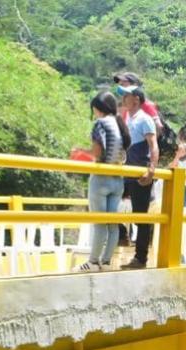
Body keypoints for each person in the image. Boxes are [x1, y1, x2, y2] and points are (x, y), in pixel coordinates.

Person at [73, 91, 131, 272]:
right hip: (117, 179)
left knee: (99, 222)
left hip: (101, 179)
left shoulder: (100, 124)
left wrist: (81, 151)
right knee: (112, 224)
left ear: (98, 109)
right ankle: (105, 263)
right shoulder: (119, 123)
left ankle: (92, 262)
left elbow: (98, 153)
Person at [118, 86, 159, 270]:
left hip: (140, 173)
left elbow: (153, 146)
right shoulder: (128, 118)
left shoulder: (145, 119)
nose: (123, 98)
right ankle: (121, 238)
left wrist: (151, 169)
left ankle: (140, 258)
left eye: (126, 95)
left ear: (136, 99)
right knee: (115, 206)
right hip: (127, 172)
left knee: (141, 216)